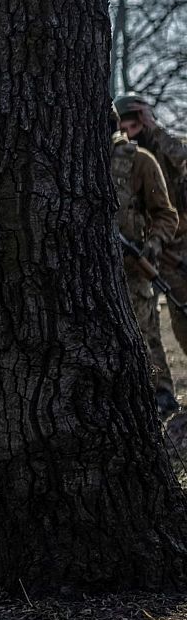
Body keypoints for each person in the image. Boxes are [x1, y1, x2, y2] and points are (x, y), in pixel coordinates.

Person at [118, 93, 187, 417]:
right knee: (158, 328)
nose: (130, 132)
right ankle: (162, 395)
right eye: (124, 126)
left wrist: (154, 128)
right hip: (149, 251)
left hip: (177, 244)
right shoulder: (125, 159)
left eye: (135, 124)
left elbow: (181, 158)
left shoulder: (163, 149)